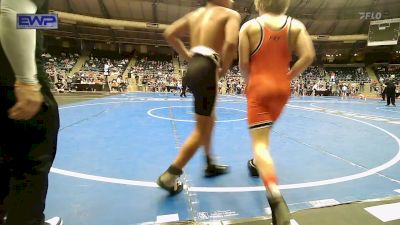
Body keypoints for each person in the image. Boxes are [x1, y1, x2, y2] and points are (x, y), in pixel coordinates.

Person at [239, 0, 315, 224]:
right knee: (264, 132)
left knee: (260, 143)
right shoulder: (296, 25)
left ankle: (275, 196)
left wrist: (249, 84)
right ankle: (255, 163)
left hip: (259, 87)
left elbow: (244, 64)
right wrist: (288, 77)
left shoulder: (249, 27)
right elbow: (308, 56)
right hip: (282, 89)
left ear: (258, 3)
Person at [157, 0, 241, 194]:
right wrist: (223, 69)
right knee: (201, 130)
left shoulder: (194, 15)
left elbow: (170, 33)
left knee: (208, 120)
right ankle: (170, 175)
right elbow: (230, 43)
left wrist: (187, 55)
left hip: (194, 67)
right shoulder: (229, 14)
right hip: (207, 68)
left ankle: (210, 163)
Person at [0, 0, 62, 224]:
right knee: (32, 160)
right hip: (12, 76)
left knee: (5, 160)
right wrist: (27, 80)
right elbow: (14, 11)